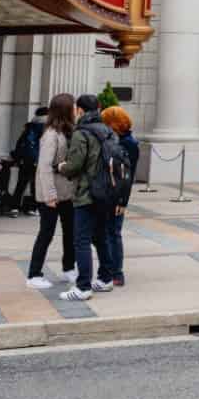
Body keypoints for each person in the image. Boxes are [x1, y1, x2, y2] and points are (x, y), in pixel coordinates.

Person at [58, 93, 119, 300]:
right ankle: (105, 278)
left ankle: (83, 286)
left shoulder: (81, 133)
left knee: (82, 240)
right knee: (100, 236)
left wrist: (62, 167)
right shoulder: (107, 131)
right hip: (106, 193)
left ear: (80, 110)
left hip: (87, 193)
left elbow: (75, 165)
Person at [26, 94, 77, 289]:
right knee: (46, 233)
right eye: (72, 107)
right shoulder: (51, 135)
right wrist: (49, 195)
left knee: (70, 232)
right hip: (52, 193)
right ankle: (34, 274)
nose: (75, 110)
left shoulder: (67, 131)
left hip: (67, 192)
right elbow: (44, 167)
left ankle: (69, 267)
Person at [101, 105, 139, 289]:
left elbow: (127, 176)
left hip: (117, 194)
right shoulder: (119, 140)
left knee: (113, 233)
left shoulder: (128, 143)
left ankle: (116, 272)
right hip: (110, 192)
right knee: (108, 232)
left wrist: (123, 201)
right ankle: (109, 270)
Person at [9, 106, 48, 217]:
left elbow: (19, 143)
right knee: (36, 185)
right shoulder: (46, 127)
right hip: (38, 160)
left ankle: (14, 208)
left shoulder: (29, 127)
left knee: (21, 183)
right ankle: (32, 208)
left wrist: (17, 158)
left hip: (25, 160)